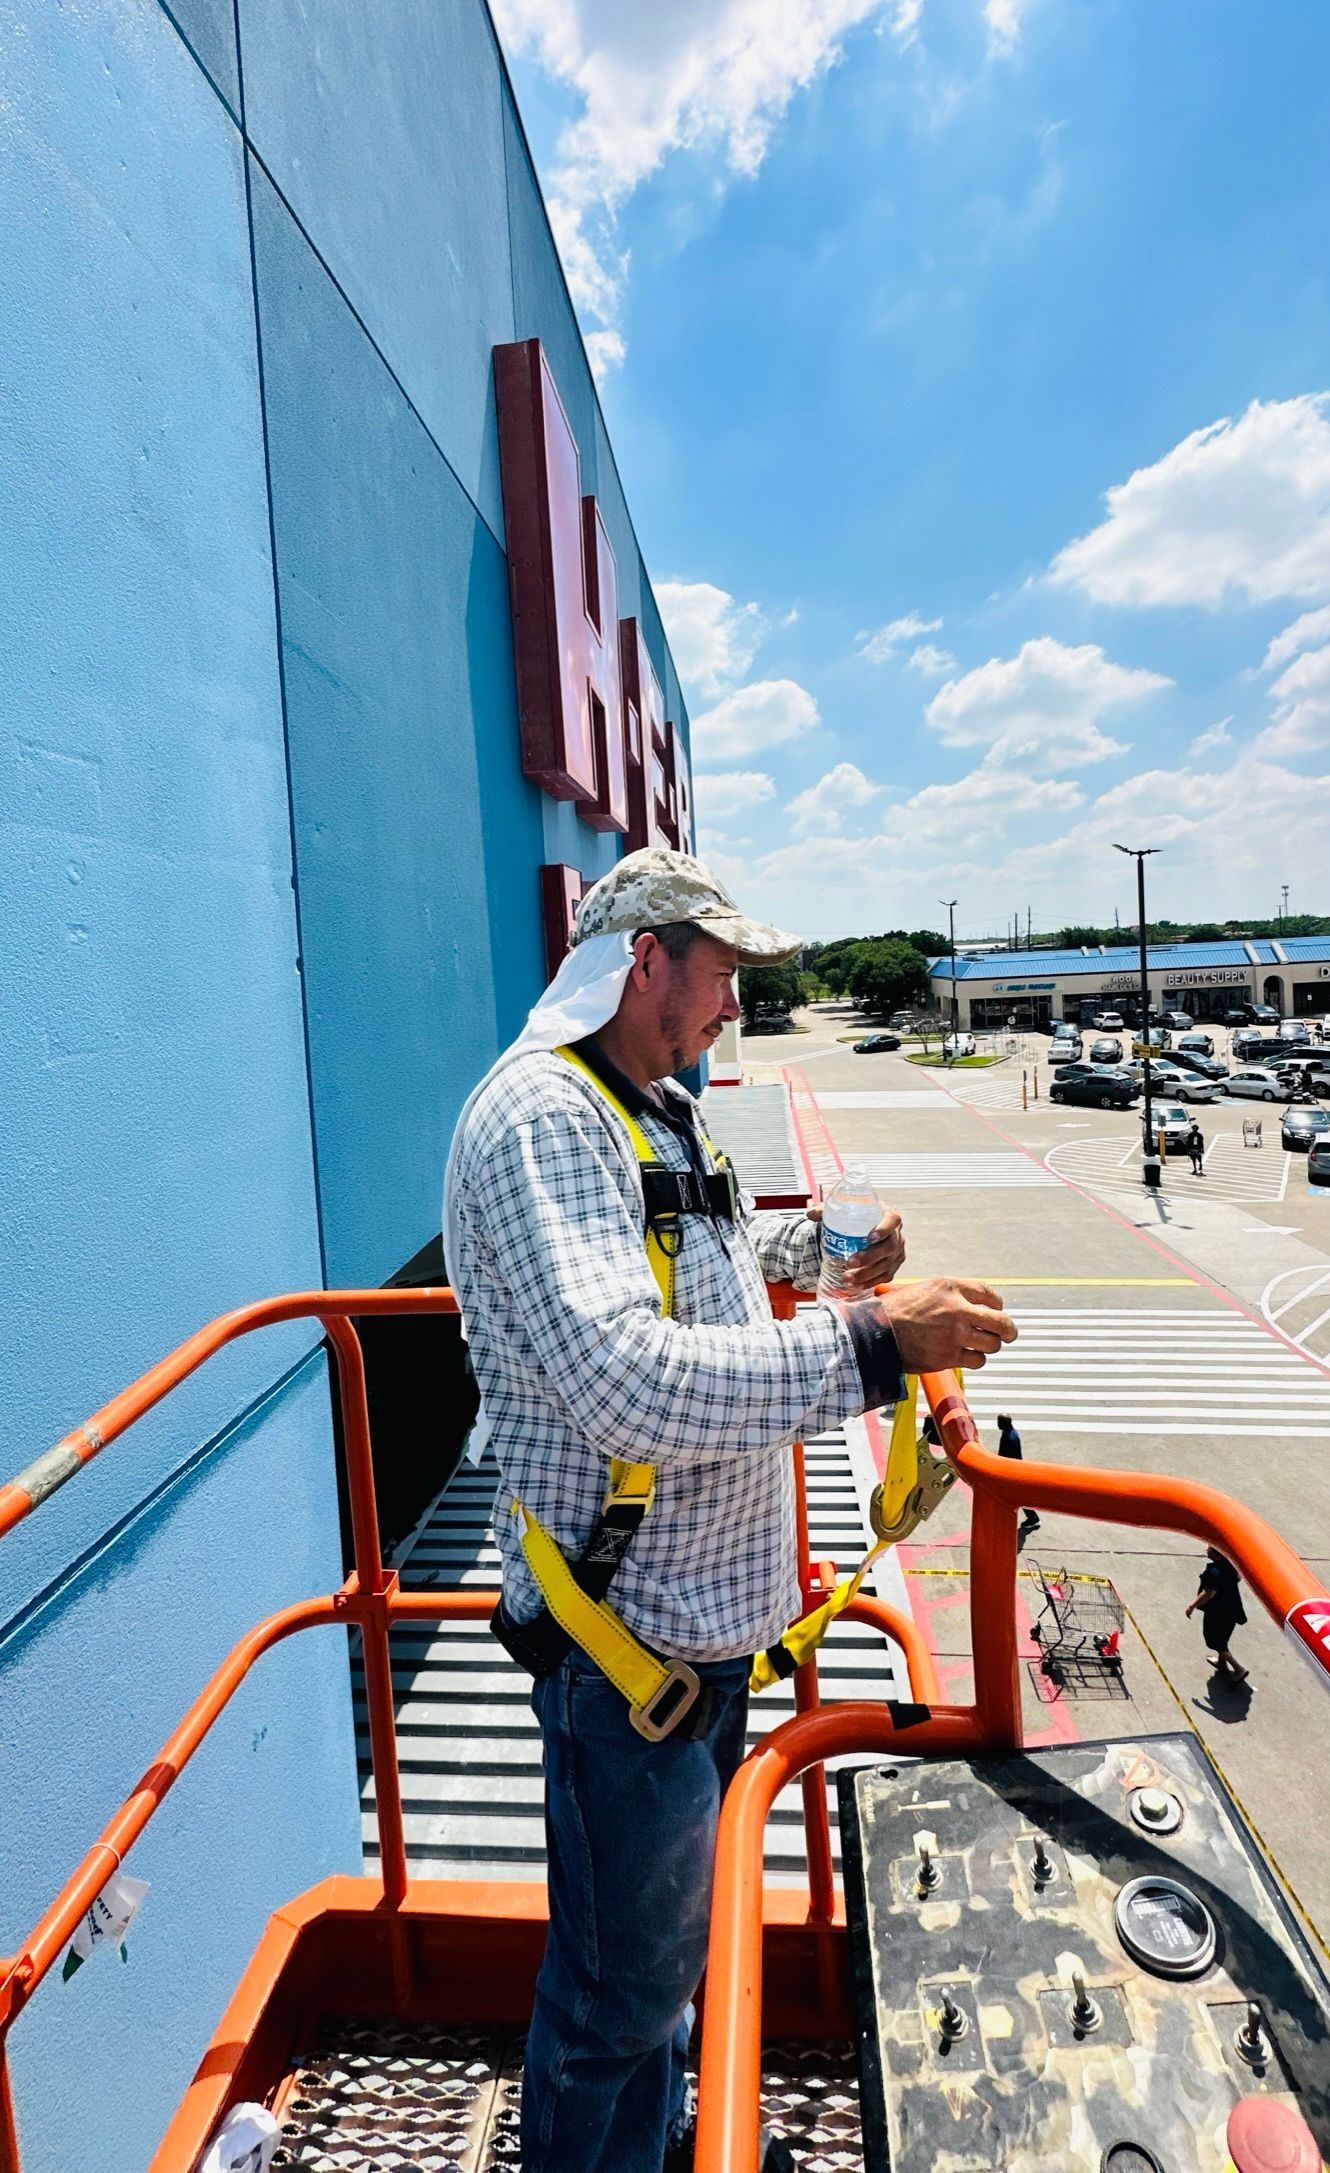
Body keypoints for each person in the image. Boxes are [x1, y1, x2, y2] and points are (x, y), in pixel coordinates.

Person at [444, 848, 1017, 2173]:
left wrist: (817, 1259)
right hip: (626, 1652)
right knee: (615, 2003)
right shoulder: (544, 1118)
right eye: (721, 978)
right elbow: (624, 1382)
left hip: (692, 1642)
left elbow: (690, 1262)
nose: (732, 1008)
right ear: (644, 960)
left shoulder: (648, 1105)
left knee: (661, 1974)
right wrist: (874, 1343)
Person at [1186, 1547, 1249, 1683]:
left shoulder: (1213, 1573)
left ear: (1216, 1554)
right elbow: (1238, 1577)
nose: (1206, 1549)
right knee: (1222, 1638)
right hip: (1232, 1610)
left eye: (1209, 1549)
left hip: (1218, 1612)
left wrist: (1192, 1606)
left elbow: (1209, 1593)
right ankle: (1222, 1664)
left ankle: (1239, 1669)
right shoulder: (1230, 1564)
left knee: (1214, 1640)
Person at [996, 1412, 1039, 1533]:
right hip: (1010, 1471)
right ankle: (1032, 1517)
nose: (997, 1424)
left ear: (1006, 1423)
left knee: (1017, 1497)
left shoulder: (1010, 1438)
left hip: (1011, 1472)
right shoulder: (1008, 1432)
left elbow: (1011, 1458)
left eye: (999, 1422)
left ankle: (1033, 1518)